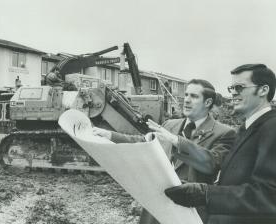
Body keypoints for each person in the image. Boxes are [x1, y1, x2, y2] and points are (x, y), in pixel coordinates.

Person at [93, 79, 235, 223]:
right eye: (186, 95)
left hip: (190, 211)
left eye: (194, 96)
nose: (186, 100)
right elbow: (145, 142)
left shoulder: (224, 133)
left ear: (208, 102)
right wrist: (110, 135)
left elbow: (211, 163)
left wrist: (177, 141)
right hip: (157, 206)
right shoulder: (170, 125)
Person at [164, 64, 276, 224]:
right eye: (232, 88)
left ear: (263, 90)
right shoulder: (247, 128)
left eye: (239, 87)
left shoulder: (272, 127)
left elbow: (269, 195)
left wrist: (206, 194)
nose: (233, 93)